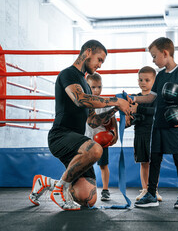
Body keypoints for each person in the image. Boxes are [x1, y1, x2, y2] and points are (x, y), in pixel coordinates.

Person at [28, 40, 130, 210]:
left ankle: (46, 182)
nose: (100, 65)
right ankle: (60, 189)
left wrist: (115, 109)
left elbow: (92, 121)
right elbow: (79, 99)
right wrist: (115, 100)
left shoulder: (86, 86)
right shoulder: (67, 74)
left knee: (87, 198)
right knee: (96, 149)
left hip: (77, 141)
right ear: (88, 52)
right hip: (60, 136)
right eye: (99, 60)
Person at [132, 37, 178, 208]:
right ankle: (151, 193)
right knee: (155, 159)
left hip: (175, 124)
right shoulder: (159, 76)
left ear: (165, 53)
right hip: (158, 124)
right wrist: (133, 98)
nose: (153, 60)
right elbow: (151, 97)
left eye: (154, 56)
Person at [125, 66, 162, 202]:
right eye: (141, 79)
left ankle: (154, 190)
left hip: (153, 134)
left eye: (147, 80)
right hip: (140, 133)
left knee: (154, 163)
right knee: (143, 163)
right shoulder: (135, 98)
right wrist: (129, 119)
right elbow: (134, 117)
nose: (143, 82)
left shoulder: (155, 98)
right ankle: (145, 189)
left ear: (154, 81)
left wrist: (139, 108)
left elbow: (155, 112)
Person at [85, 72, 118, 201]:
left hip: (101, 140)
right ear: (87, 87)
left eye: (99, 87)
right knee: (86, 165)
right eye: (93, 87)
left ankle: (105, 189)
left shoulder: (105, 103)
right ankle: (88, 189)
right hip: (87, 139)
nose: (96, 90)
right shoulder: (84, 103)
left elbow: (113, 119)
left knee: (103, 165)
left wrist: (115, 134)